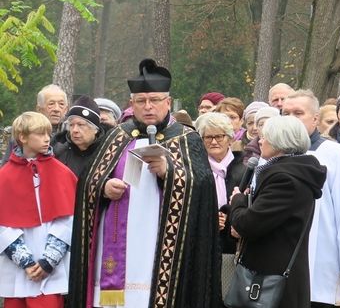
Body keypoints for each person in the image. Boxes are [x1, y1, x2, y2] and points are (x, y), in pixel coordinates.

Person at [68, 59, 220, 308]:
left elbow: (202, 188)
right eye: (141, 101)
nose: (148, 107)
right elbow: (88, 181)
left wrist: (170, 173)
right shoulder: (117, 135)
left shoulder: (186, 138)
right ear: (132, 104)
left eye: (155, 100)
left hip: (160, 245)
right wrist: (103, 188)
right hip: (116, 241)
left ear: (168, 102)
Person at [229, 115, 327, 308]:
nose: (260, 141)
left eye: (265, 136)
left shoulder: (285, 179)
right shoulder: (291, 172)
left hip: (273, 283)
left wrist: (238, 201)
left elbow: (249, 224)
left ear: (280, 141)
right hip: (274, 277)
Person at [282, 90, 340, 307]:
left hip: (322, 255)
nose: (291, 119)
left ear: (315, 118)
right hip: (281, 256)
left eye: (298, 113)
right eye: (286, 113)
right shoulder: (273, 154)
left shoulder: (334, 153)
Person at [0, 111, 77, 308]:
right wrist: (24, 260)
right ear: (23, 138)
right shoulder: (4, 176)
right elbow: (2, 224)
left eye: (48, 134)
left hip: (50, 268)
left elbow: (68, 220)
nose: (47, 139)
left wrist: (48, 261)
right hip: (18, 269)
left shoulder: (62, 172)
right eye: (40, 134)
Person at [194, 112, 244, 295]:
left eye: (219, 136)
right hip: (203, 246)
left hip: (233, 248)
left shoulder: (244, 169)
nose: (214, 142)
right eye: (208, 137)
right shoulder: (195, 170)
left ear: (229, 138)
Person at [1, 84, 69, 166]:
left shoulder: (71, 135)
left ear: (66, 109)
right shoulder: (24, 131)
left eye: (61, 104)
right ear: (39, 109)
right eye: (51, 104)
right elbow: (6, 167)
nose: (57, 109)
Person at [53, 96, 106, 178]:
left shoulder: (106, 152)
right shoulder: (59, 153)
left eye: (80, 125)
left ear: (95, 129)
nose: (74, 130)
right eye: (71, 125)